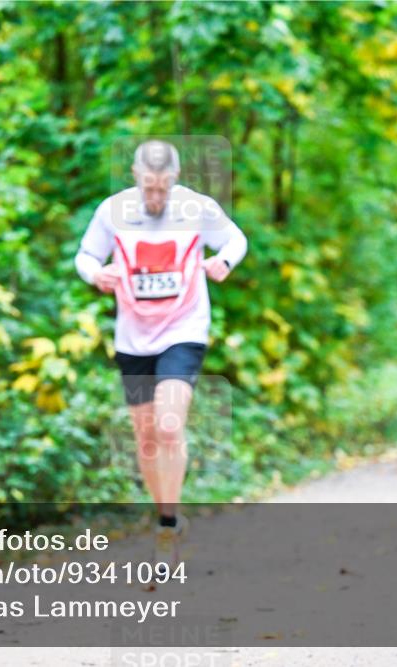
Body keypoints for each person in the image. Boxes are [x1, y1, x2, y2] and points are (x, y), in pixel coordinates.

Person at [74, 140, 247, 573]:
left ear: (174, 178)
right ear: (135, 174)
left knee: (169, 426)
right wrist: (97, 273)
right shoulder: (112, 211)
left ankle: (168, 525)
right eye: (148, 188)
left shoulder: (196, 208)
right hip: (132, 337)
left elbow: (235, 239)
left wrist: (224, 260)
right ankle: (165, 513)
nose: (155, 197)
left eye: (162, 188)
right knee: (146, 436)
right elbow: (86, 255)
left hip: (183, 329)